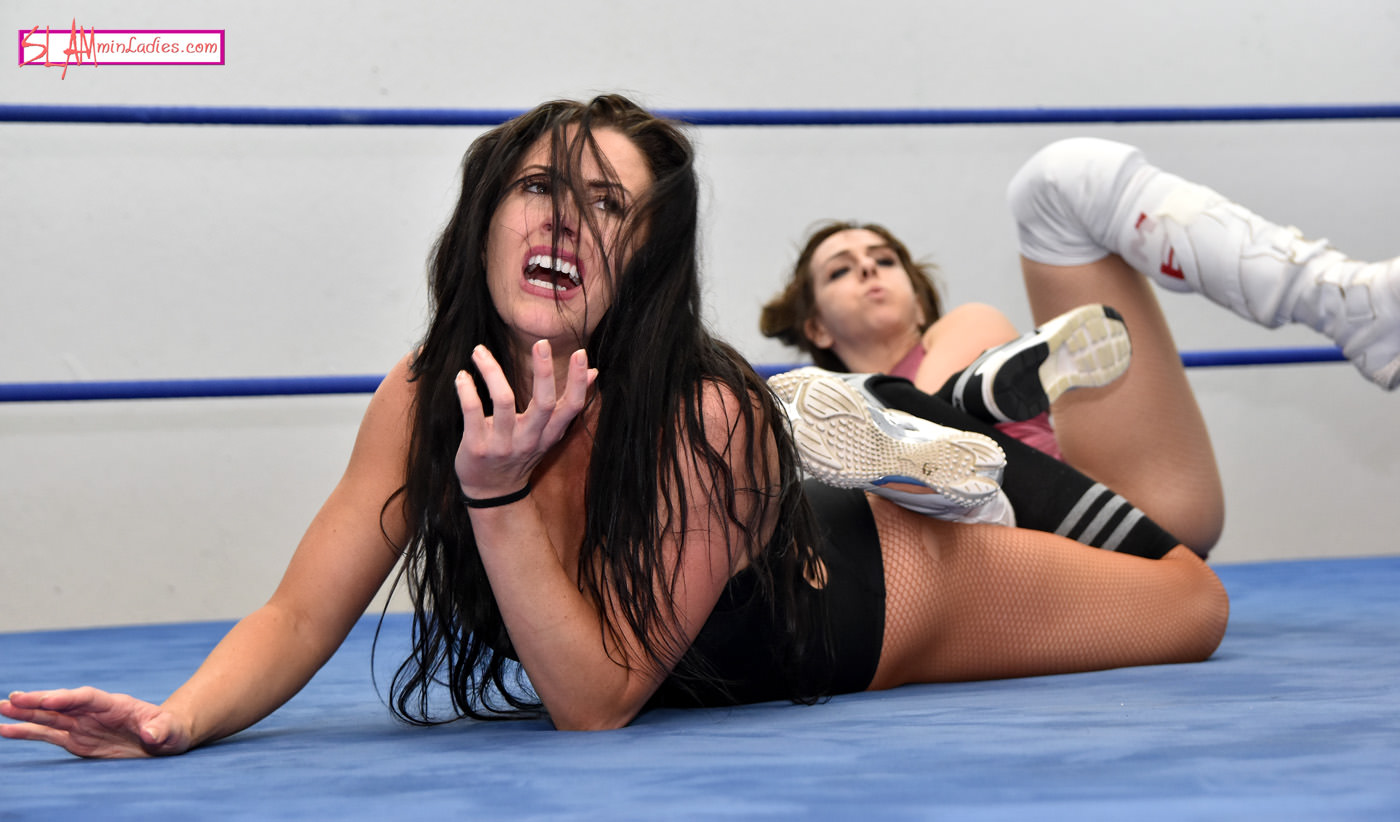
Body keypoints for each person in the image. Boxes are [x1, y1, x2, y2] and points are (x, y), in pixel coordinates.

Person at [0, 101, 1229, 759]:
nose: (563, 219)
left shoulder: (703, 411)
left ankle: (916, 412)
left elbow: (593, 704)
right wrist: (176, 720)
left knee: (1190, 598)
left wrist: (493, 498)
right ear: (485, 219)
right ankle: (909, 409)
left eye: (607, 204)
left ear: (643, 262)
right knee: (1161, 528)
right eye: (539, 186)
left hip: (882, 586)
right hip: (781, 515)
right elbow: (296, 613)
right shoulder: (422, 396)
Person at [761, 138, 1400, 558]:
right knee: (827, 440)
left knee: (1059, 180)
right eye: (841, 270)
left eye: (884, 259)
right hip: (999, 584)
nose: (869, 269)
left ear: (920, 299)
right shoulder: (805, 412)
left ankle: (1346, 302)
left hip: (1114, 510)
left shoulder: (963, 327)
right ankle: (938, 416)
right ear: (816, 329)